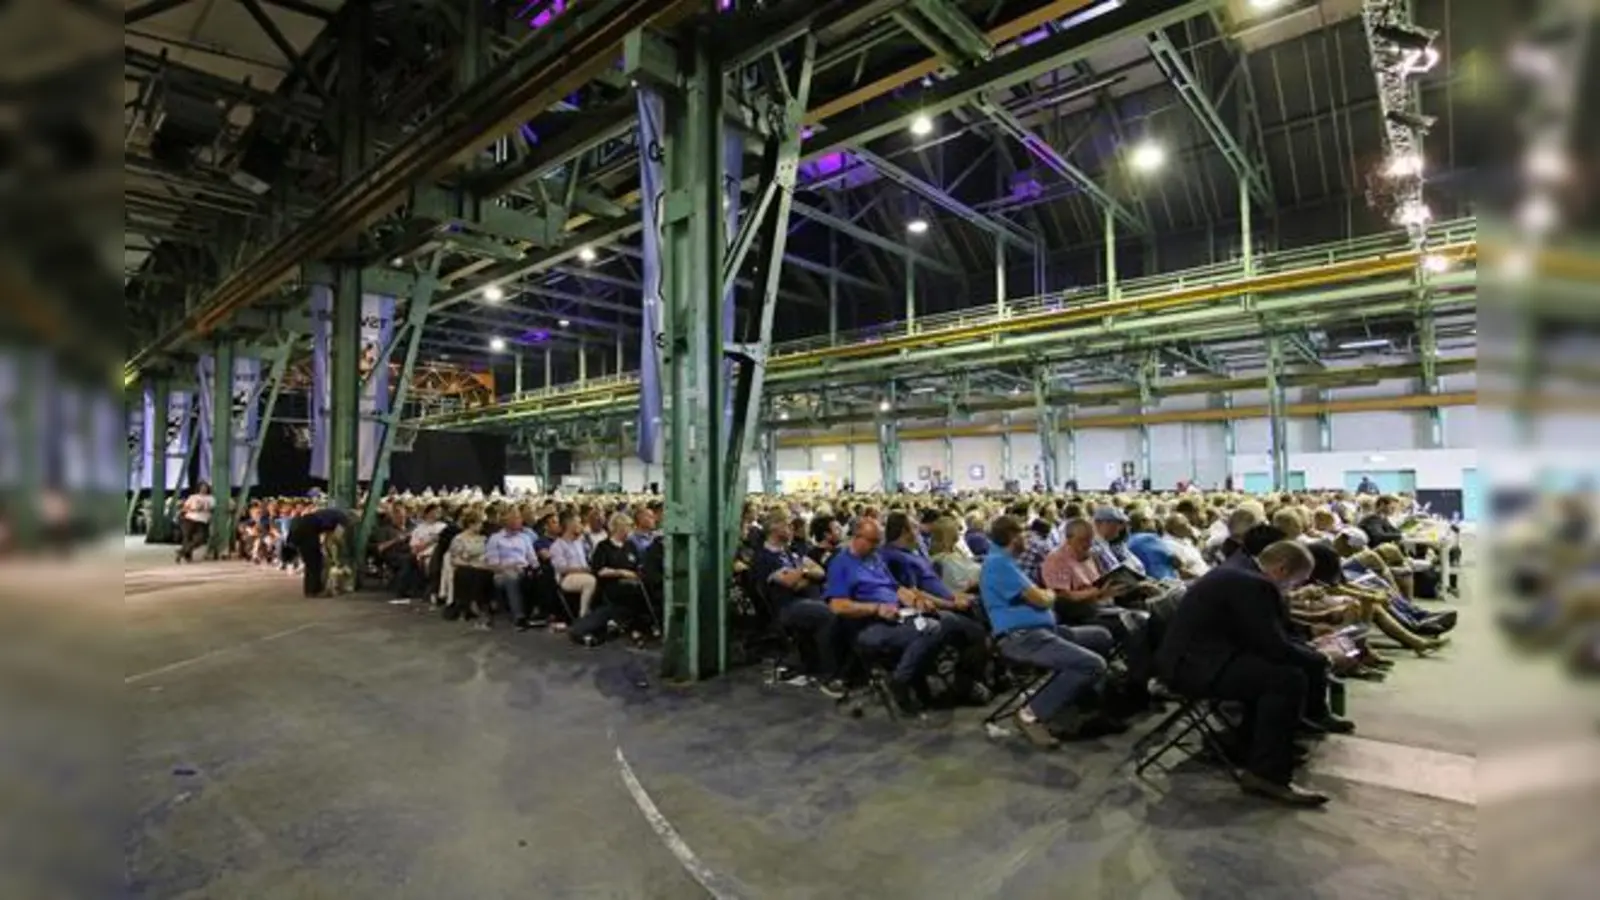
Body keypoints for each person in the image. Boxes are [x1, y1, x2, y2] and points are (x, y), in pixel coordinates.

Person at [1155, 541, 1353, 807]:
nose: (1294, 589)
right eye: (1297, 582)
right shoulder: (1252, 583)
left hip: (1197, 658)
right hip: (1194, 667)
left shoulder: (1240, 571)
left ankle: (1255, 745)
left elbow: (1262, 631)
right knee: (1286, 679)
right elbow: (1272, 643)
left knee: (1276, 672)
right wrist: (1323, 658)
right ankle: (1267, 774)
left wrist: (1307, 642)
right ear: (1282, 570)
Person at [980, 515, 1122, 747]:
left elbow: (1039, 596)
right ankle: (1029, 714)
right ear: (1011, 537)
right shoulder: (998, 564)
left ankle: (1079, 703)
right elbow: (1042, 599)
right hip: (1022, 638)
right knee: (1093, 664)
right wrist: (1048, 595)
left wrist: (1044, 595)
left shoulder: (1006, 563)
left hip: (1044, 631)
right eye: (1023, 534)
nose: (1027, 538)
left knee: (1101, 636)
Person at [823, 518, 953, 715]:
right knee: (930, 629)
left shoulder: (874, 558)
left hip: (897, 615)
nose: (877, 546)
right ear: (857, 538)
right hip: (868, 625)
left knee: (943, 624)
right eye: (873, 541)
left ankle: (909, 678)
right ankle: (901, 681)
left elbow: (896, 588)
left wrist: (916, 600)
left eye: (878, 542)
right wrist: (876, 608)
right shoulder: (841, 565)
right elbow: (838, 606)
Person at [752, 512, 845, 697]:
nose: (791, 529)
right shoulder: (765, 558)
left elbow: (819, 572)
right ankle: (828, 674)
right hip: (787, 607)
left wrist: (801, 574)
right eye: (787, 525)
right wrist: (804, 572)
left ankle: (832, 665)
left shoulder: (790, 551)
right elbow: (790, 583)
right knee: (828, 615)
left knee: (841, 609)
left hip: (804, 599)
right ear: (774, 529)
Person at [484, 510, 544, 631]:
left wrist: (537, 568)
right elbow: (493, 564)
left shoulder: (525, 537)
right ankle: (518, 616)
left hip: (523, 569)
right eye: (516, 518)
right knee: (511, 577)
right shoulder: (495, 539)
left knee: (542, 575)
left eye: (519, 518)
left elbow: (532, 558)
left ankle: (540, 613)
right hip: (502, 573)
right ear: (507, 522)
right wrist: (511, 566)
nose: (520, 521)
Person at [286, 506, 352, 598]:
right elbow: (336, 538)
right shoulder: (343, 520)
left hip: (301, 526)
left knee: (310, 562)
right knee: (315, 562)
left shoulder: (334, 513)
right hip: (309, 530)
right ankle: (315, 591)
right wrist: (343, 550)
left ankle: (309, 591)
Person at [550, 512, 599, 622]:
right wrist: (583, 570)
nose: (581, 526)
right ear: (570, 525)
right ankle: (583, 615)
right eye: (579, 523)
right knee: (590, 581)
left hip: (583, 573)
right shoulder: (557, 546)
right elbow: (561, 568)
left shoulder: (580, 542)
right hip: (566, 578)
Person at [175, 483, 215, 563]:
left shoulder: (211, 498)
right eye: (202, 487)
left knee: (200, 539)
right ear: (199, 488)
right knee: (187, 538)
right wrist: (192, 508)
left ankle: (182, 551)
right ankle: (187, 556)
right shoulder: (193, 497)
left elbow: (211, 509)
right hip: (189, 518)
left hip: (202, 521)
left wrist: (203, 508)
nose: (203, 489)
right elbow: (185, 507)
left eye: (205, 488)